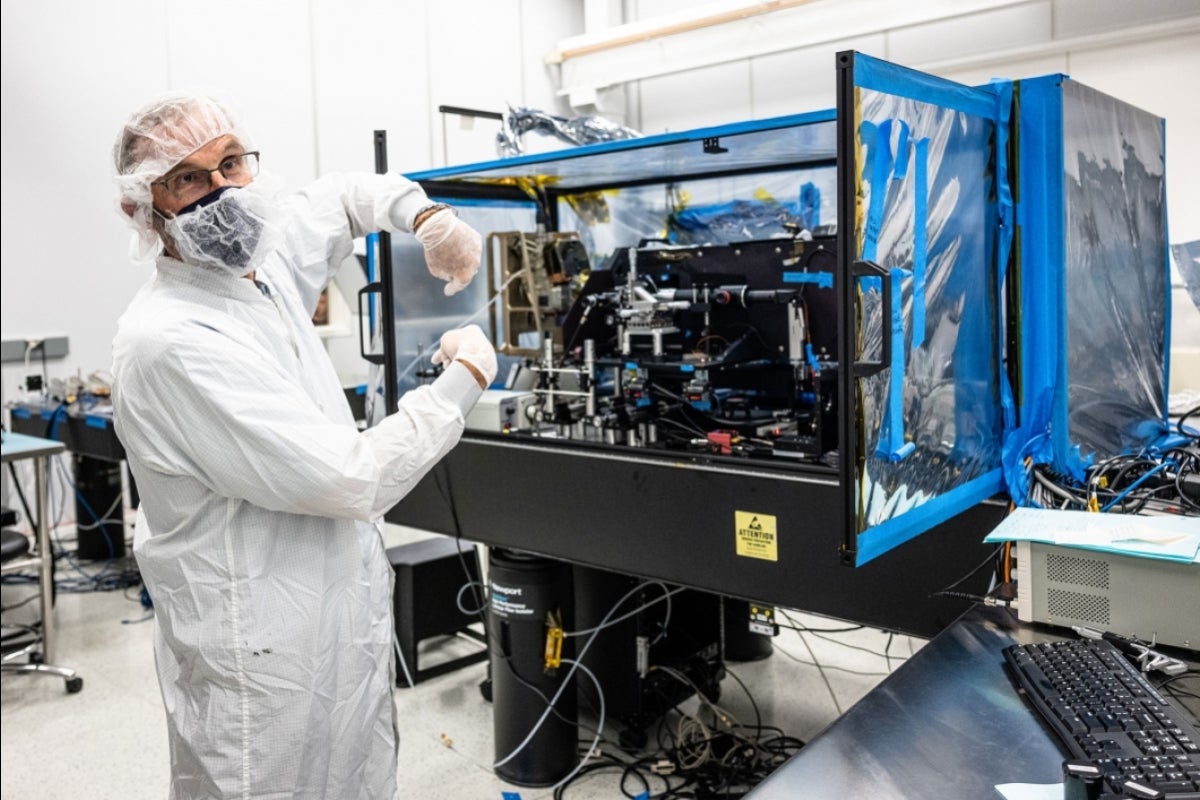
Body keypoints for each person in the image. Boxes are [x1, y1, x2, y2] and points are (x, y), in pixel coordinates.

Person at [109, 92, 496, 800]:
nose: (221, 192)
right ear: (143, 209)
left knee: (356, 775)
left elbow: (346, 196)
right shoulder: (170, 341)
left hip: (334, 615)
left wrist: (429, 218)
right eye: (189, 179)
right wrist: (461, 385)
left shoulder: (259, 269)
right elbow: (348, 480)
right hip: (258, 649)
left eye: (231, 164)